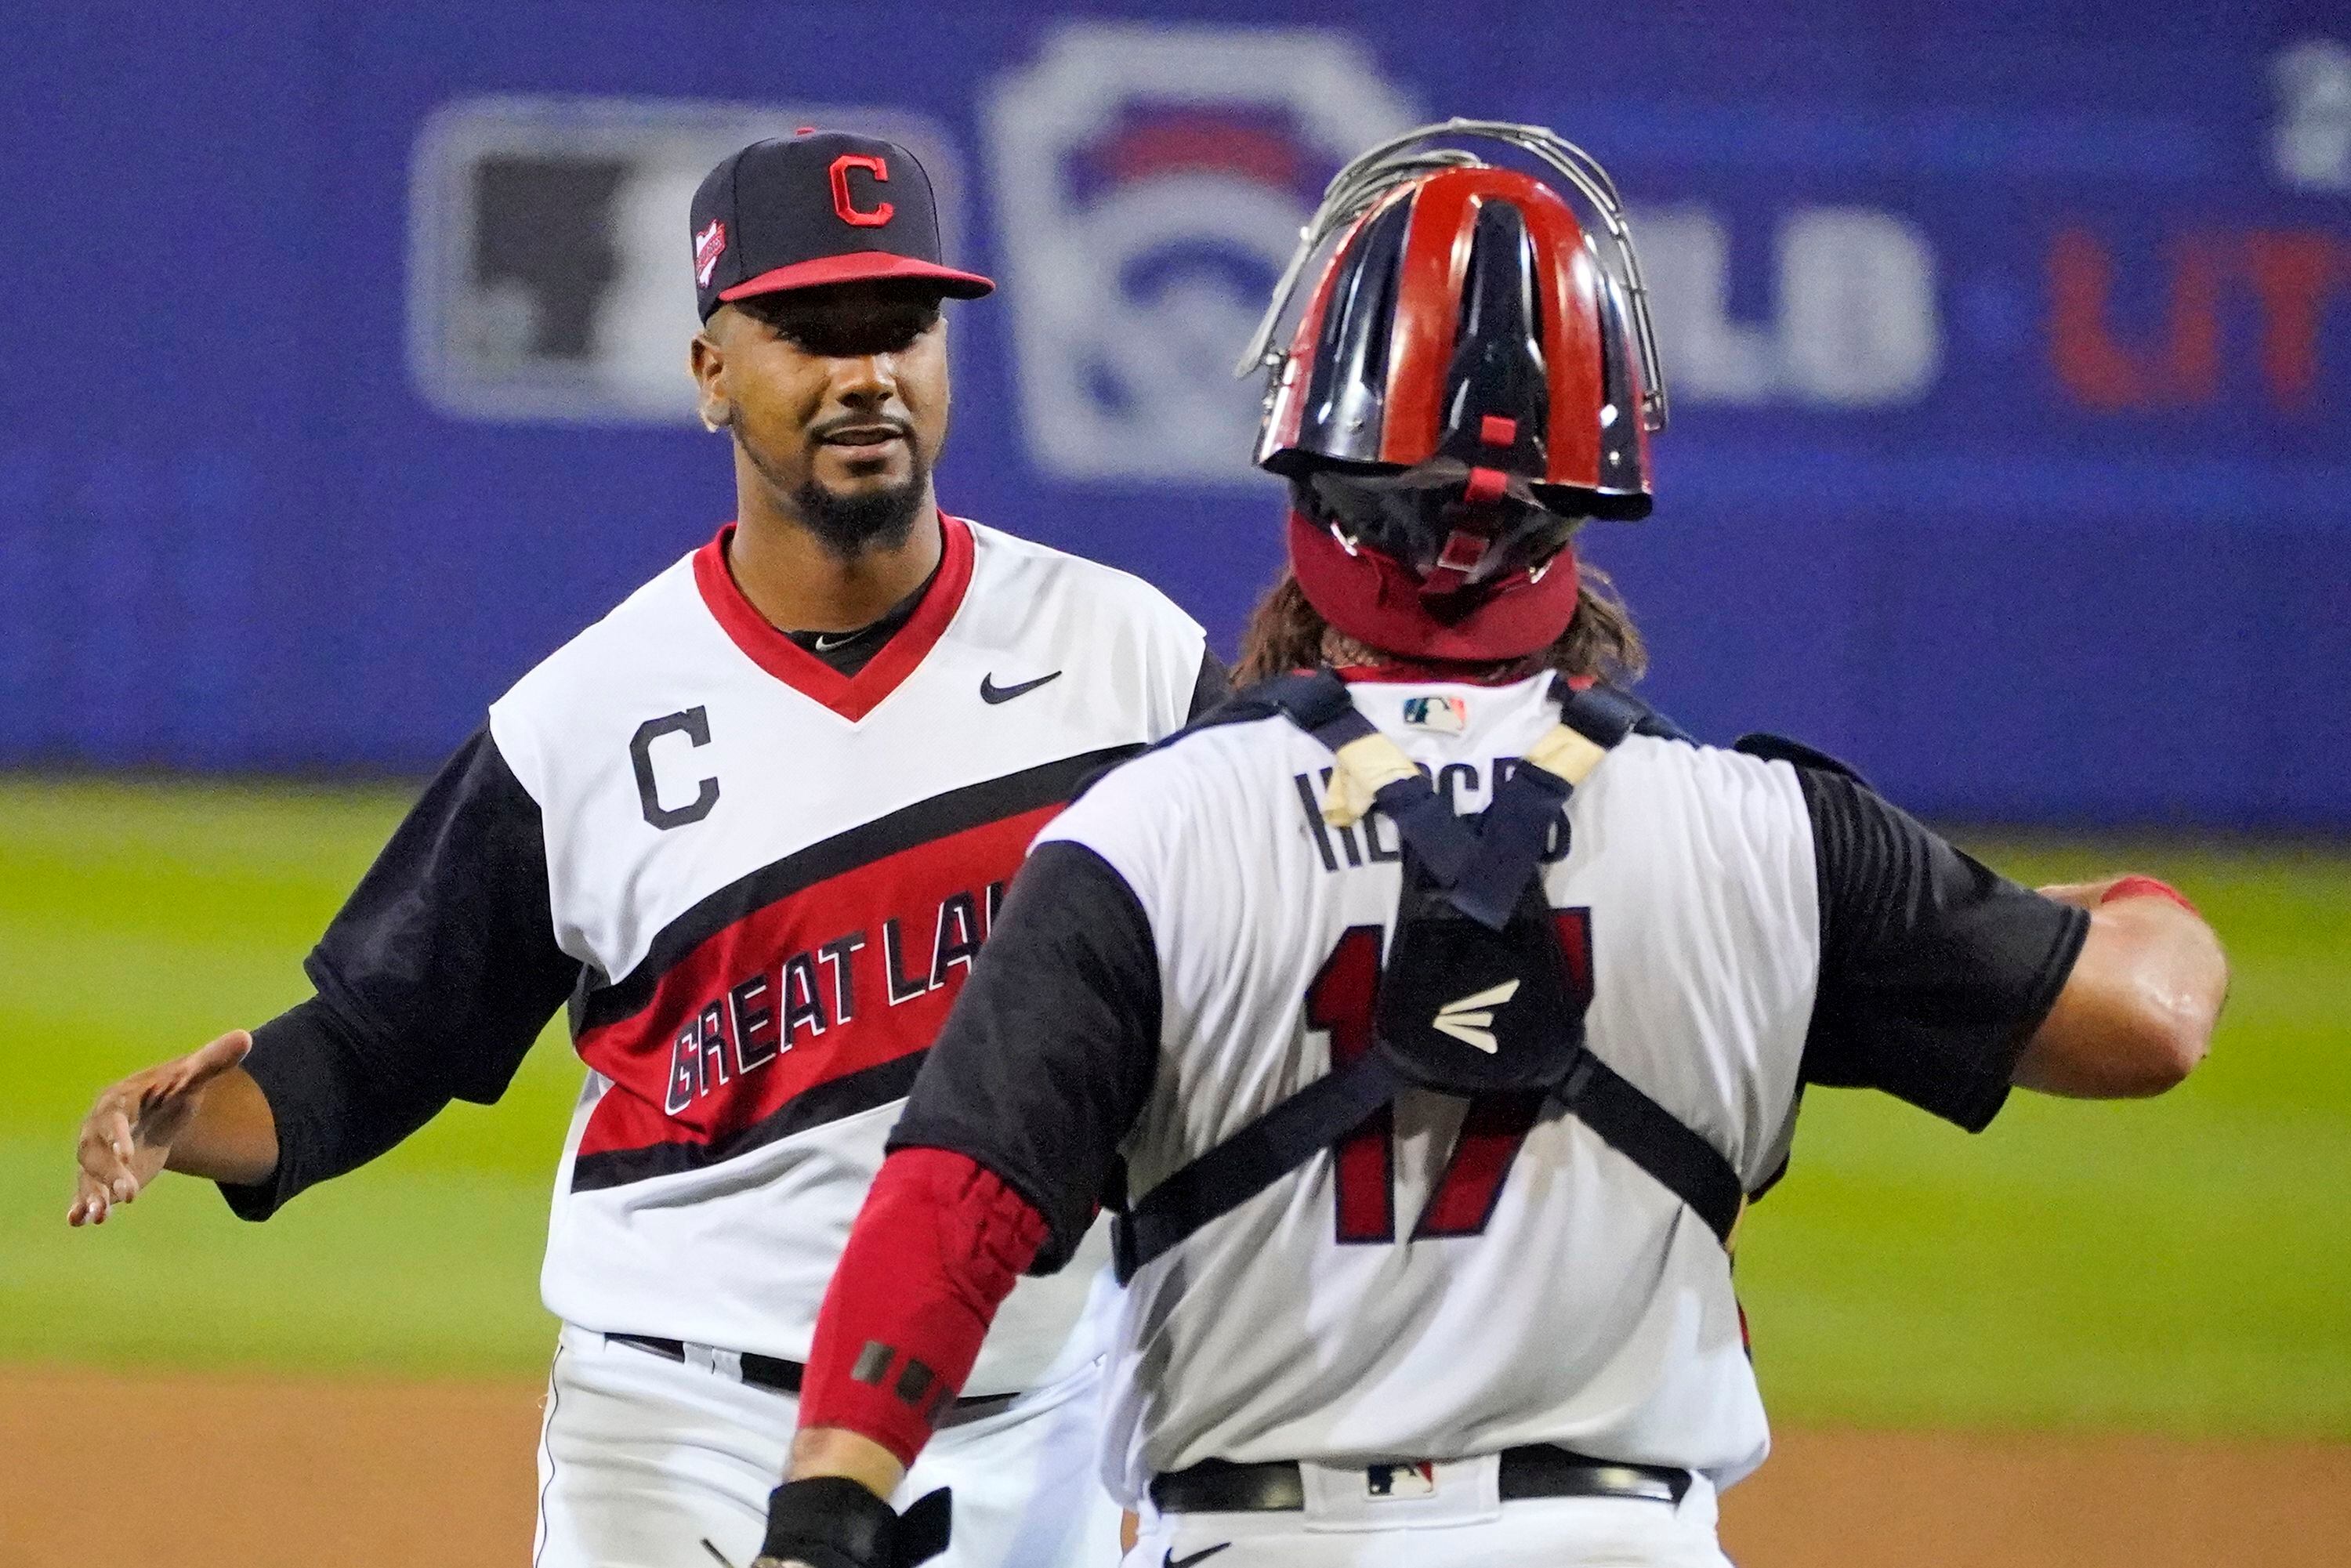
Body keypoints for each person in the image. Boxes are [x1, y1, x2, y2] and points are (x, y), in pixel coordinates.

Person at [739, 122, 2230, 1568]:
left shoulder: (1150, 832)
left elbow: (959, 1201)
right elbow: (2151, 1018)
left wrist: (828, 1510)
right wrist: (2100, 900)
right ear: (1591, 481)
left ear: (1307, 457)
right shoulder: (1774, 840)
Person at [67, 129, 1225, 1568]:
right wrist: (193, 1124)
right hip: (678, 1430)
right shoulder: (586, 717)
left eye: (903, 328)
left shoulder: (1133, 660)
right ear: (710, 372)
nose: (866, 372)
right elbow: (383, 1040)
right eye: (808, 332)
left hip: (1035, 1421)